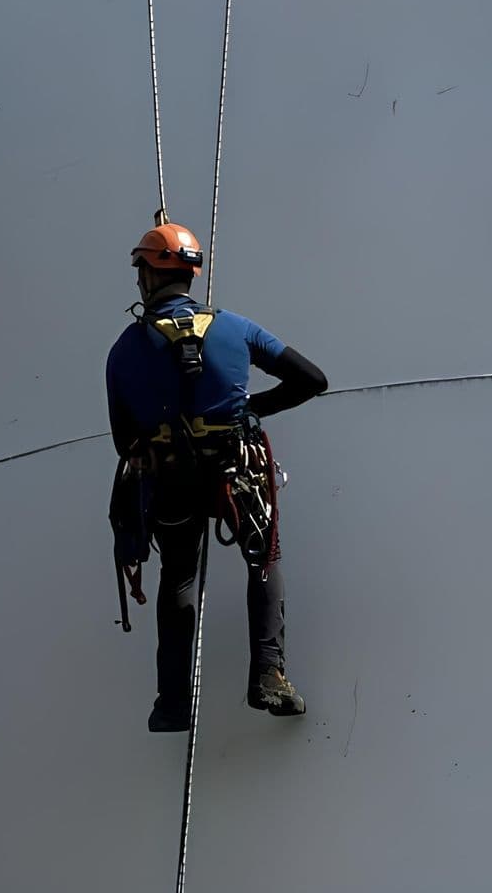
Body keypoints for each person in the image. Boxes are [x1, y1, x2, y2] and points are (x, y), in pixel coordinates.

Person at [107, 222, 330, 731]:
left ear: (147, 275)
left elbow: (125, 441)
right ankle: (269, 676)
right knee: (263, 557)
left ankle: (172, 701)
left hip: (170, 481)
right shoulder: (235, 328)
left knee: (179, 577)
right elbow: (312, 380)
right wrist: (248, 409)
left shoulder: (124, 349)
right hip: (234, 470)